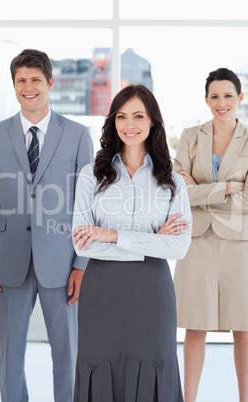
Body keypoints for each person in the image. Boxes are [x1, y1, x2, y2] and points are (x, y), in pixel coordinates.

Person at [0, 49, 94, 402]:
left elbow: (86, 206)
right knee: (9, 356)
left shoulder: (77, 135)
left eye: (35, 80)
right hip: (8, 262)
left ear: (50, 83)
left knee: (68, 354)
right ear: (14, 85)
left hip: (62, 264)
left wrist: (81, 265)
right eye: (21, 81)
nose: (28, 88)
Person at [72, 84, 192, 401]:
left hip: (153, 292)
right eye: (122, 117)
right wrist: (153, 240)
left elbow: (178, 247)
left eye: (138, 116)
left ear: (153, 121)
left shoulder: (172, 181)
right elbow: (83, 245)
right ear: (112, 122)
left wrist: (111, 234)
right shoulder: (91, 175)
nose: (129, 125)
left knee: (154, 367)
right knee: (98, 367)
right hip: (101, 291)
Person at [173, 67, 248, 402]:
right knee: (195, 326)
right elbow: (178, 194)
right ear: (206, 99)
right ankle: (190, 399)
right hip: (198, 241)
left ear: (240, 98)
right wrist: (227, 189)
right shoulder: (190, 136)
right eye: (215, 96)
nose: (221, 103)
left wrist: (202, 189)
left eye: (228, 96)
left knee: (244, 330)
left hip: (240, 244)